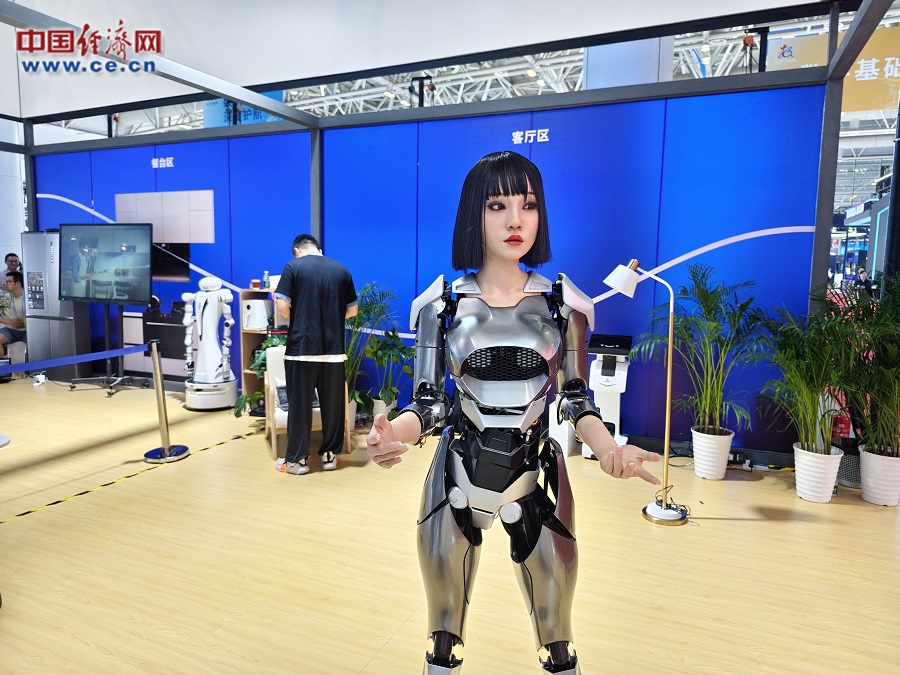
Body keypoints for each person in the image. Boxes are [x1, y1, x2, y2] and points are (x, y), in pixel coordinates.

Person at [366, 151, 661, 673]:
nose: (514, 221)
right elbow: (431, 401)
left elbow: (575, 397)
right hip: (458, 472)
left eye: (528, 205)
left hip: (535, 477)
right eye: (497, 205)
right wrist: (397, 435)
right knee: (442, 633)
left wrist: (609, 450)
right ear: (473, 214)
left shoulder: (562, 305)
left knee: (557, 636)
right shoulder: (441, 306)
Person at [273, 234, 357, 475]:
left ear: (297, 251)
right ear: (318, 249)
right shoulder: (341, 270)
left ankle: (298, 461)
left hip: (302, 351)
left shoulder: (293, 267)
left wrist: (302, 315)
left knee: (299, 407)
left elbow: (282, 307)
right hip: (333, 352)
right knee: (333, 406)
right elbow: (352, 311)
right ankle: (330, 456)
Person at [0, 271, 26, 358]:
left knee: (37, 343)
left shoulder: (28, 298)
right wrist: (9, 322)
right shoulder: (5, 298)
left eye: (8, 282)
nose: (6, 284)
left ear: (17, 283)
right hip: (10, 330)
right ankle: (3, 365)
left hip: (27, 330)